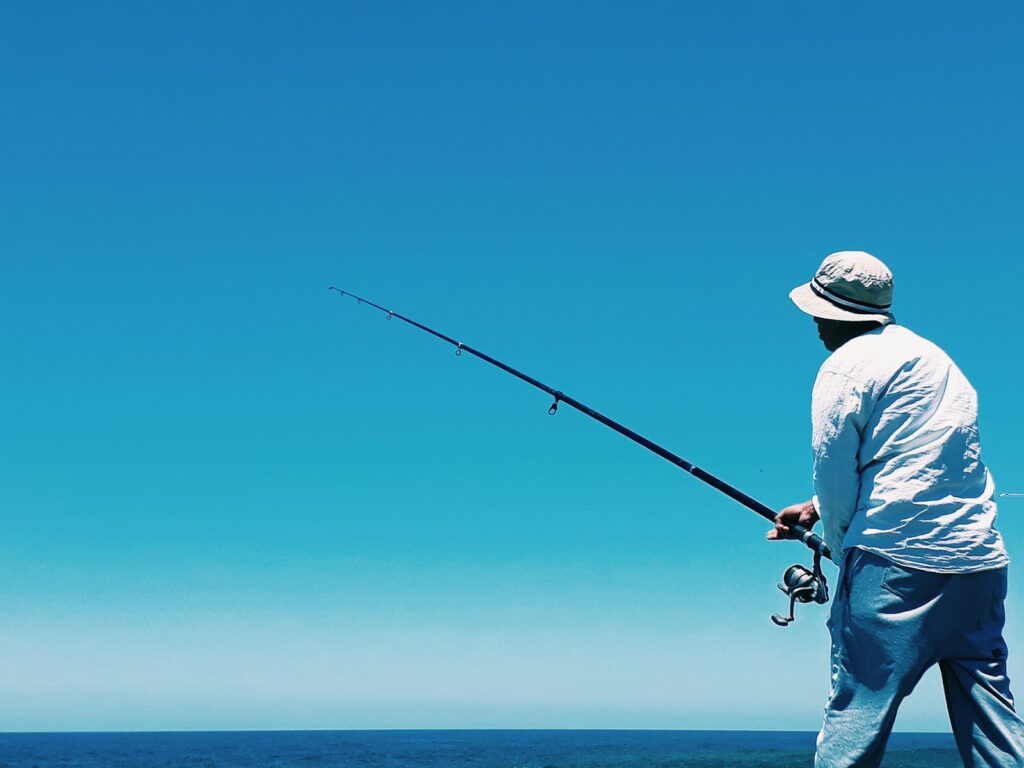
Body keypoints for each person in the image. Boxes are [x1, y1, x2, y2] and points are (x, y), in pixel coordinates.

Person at [770, 251, 1024, 767]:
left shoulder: (843, 368)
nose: (816, 323)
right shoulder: (937, 360)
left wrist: (842, 556)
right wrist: (815, 509)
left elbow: (835, 473)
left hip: (894, 570)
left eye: (820, 312)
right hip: (979, 565)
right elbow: (930, 457)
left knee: (855, 721)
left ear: (834, 313)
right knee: (995, 732)